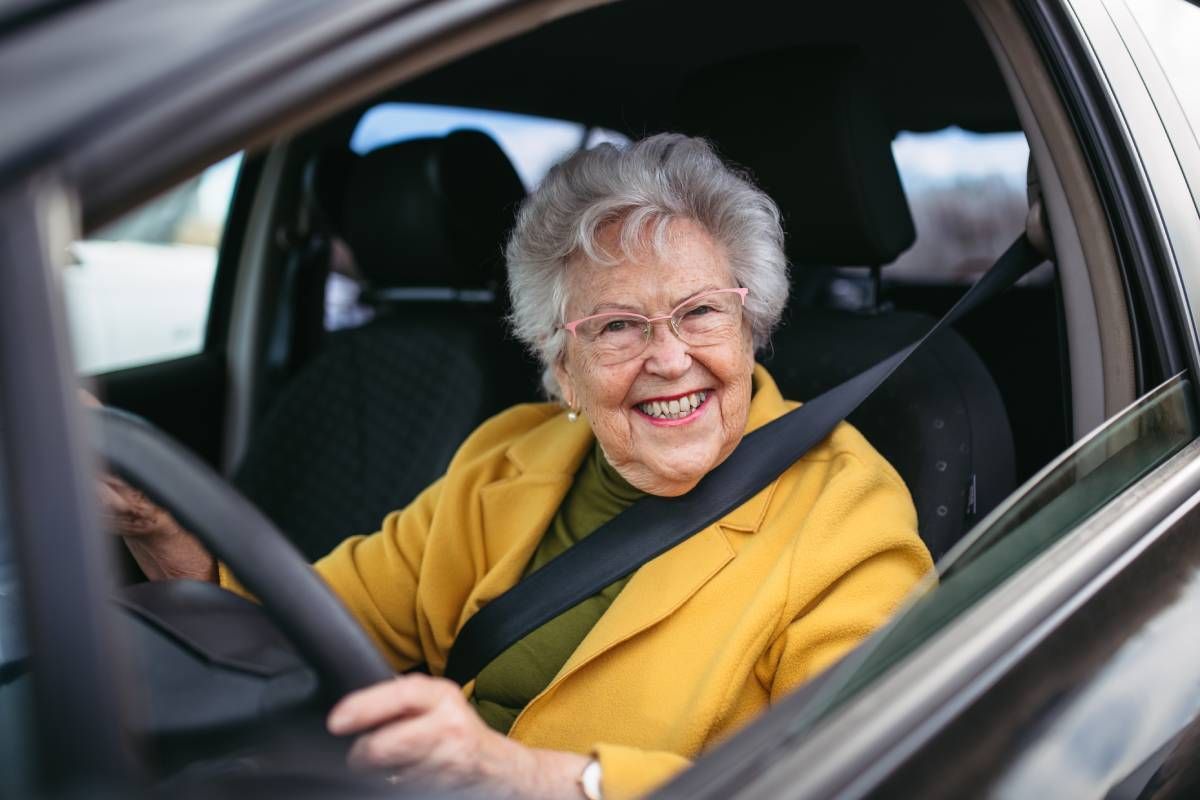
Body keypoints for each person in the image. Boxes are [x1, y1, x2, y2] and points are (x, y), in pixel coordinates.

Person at [103, 134, 933, 800]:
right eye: (616, 327)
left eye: (700, 312)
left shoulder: (846, 516)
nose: (670, 358)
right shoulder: (509, 455)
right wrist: (158, 522)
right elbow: (307, 623)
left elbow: (857, 771)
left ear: (752, 324)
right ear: (557, 365)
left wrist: (532, 778)